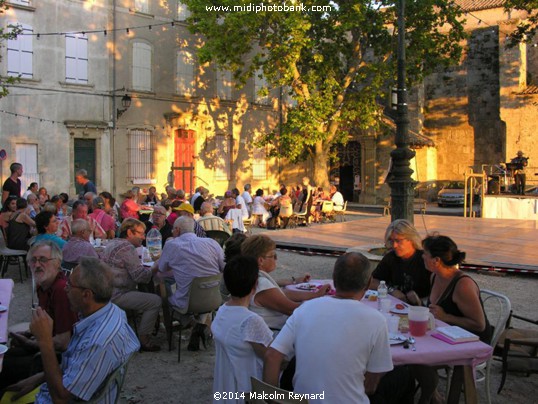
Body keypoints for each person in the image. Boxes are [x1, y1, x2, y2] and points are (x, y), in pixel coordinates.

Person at [4, 257, 140, 403]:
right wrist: (39, 378)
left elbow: (60, 399)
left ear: (86, 295)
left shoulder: (98, 342)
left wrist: (45, 341)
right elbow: (75, 365)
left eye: (70, 284)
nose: (65, 288)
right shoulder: (109, 311)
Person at [263, 252, 394, 403]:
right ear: (368, 282)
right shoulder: (377, 320)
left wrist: (272, 400)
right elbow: (371, 385)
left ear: (334, 278)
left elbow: (272, 356)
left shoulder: (305, 309)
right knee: (402, 376)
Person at [414, 235, 492, 404]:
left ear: (436, 260)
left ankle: (429, 395)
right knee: (412, 349)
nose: (422, 256)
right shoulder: (434, 276)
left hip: (471, 340)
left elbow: (479, 325)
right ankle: (432, 394)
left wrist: (446, 316)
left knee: (416, 358)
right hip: (445, 332)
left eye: (425, 253)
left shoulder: (462, 285)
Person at [0, 241, 78, 390]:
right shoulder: (43, 286)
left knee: (5, 365)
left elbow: (64, 342)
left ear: (57, 263)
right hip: (46, 345)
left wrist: (31, 343)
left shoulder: (61, 290)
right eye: (33, 260)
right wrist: (29, 334)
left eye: (43, 260)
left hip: (60, 359)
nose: (36, 265)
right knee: (8, 354)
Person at [158, 216, 225, 350]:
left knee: (165, 298)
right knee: (198, 290)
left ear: (177, 230)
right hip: (214, 299)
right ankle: (199, 327)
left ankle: (196, 326)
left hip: (188, 302)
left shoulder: (172, 245)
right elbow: (223, 267)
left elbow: (162, 268)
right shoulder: (212, 243)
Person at [212, 255, 273, 402]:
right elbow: (272, 357)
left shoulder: (221, 311)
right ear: (255, 286)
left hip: (226, 386)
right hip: (246, 391)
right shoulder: (251, 321)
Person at [241, 235, 329, 331]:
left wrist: (316, 294)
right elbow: (293, 310)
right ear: (261, 261)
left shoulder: (253, 275)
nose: (276, 259)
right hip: (273, 333)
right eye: (273, 256)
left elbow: (283, 294)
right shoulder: (261, 284)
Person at [101, 218, 162, 351]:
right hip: (117, 294)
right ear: (129, 232)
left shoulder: (113, 243)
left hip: (106, 291)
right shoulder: (126, 247)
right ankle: (144, 339)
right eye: (140, 233)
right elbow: (140, 276)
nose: (143, 237)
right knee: (155, 301)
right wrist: (155, 267)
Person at [370, 219, 430, 305]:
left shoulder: (425, 259)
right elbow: (372, 281)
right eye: (391, 241)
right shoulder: (390, 258)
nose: (394, 245)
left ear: (411, 239)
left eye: (398, 241)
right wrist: (391, 290)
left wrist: (420, 301)